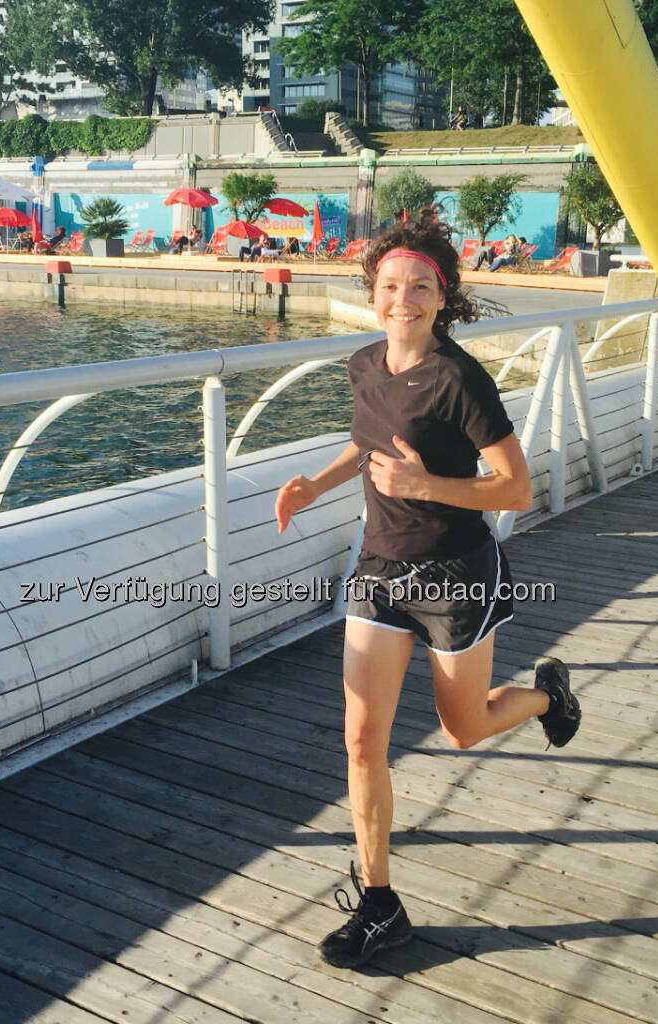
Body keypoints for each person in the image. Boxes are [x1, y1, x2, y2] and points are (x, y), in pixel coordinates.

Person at [272, 218, 582, 970]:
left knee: (463, 728)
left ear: (443, 296)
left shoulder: (459, 378)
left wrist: (425, 485)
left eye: (418, 287)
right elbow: (367, 442)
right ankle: (381, 903)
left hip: (457, 574)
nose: (402, 299)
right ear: (372, 293)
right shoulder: (364, 363)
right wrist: (316, 484)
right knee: (361, 739)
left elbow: (516, 487)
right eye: (389, 286)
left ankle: (548, 698)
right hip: (381, 569)